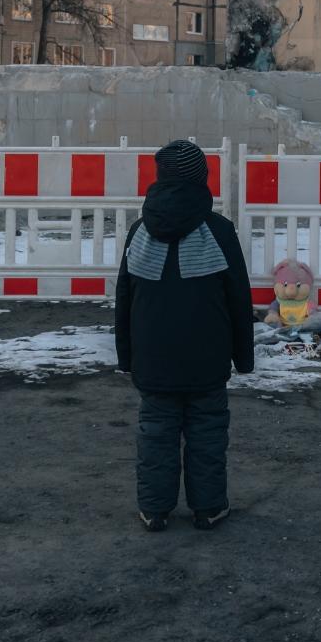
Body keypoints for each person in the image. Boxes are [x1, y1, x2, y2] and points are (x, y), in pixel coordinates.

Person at [114, 139, 255, 531]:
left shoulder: (139, 231)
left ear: (160, 178)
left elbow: (124, 297)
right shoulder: (220, 231)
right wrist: (243, 357)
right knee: (207, 435)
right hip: (207, 359)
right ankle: (209, 508)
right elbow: (238, 299)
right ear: (202, 180)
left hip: (152, 359)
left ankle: (153, 510)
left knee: (155, 435)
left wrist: (126, 356)